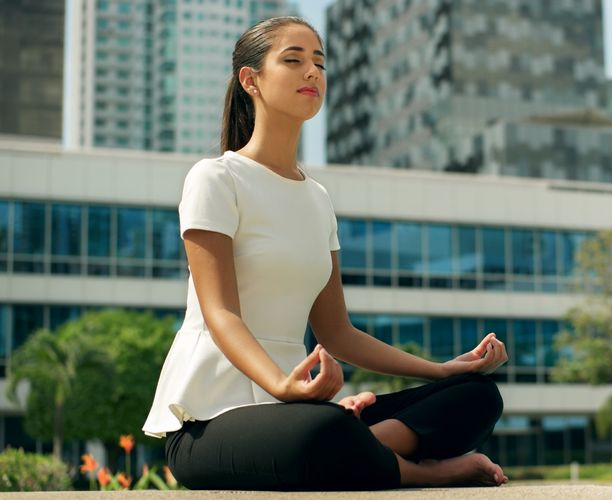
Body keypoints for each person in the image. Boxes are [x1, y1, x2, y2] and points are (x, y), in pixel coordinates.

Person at [143, 16, 510, 491]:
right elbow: (221, 313)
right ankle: (425, 471)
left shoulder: (316, 198)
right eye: (293, 60)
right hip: (209, 424)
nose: (312, 72)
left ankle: (361, 446)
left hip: (295, 412)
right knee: (324, 429)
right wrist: (283, 387)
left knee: (475, 396)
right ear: (250, 80)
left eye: (318, 61)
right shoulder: (215, 179)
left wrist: (442, 370)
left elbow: (337, 333)